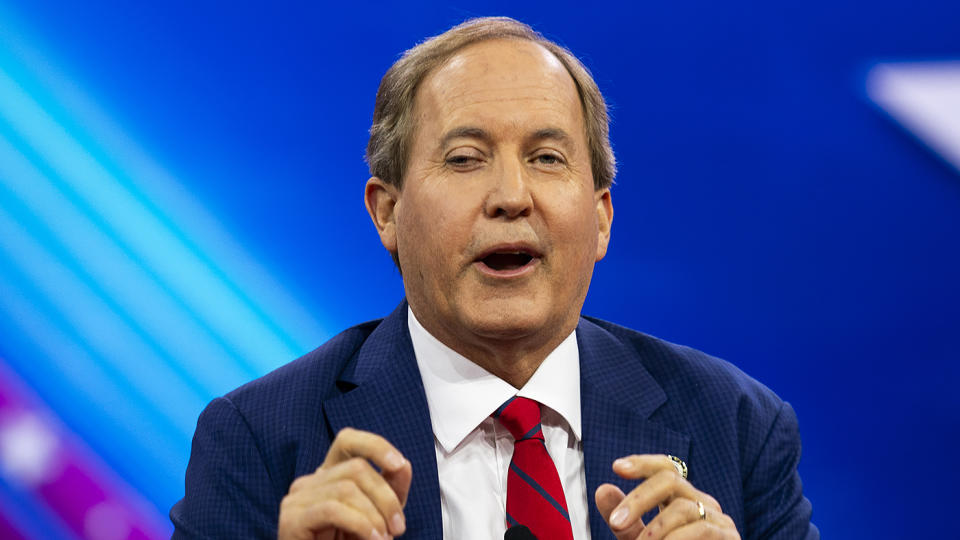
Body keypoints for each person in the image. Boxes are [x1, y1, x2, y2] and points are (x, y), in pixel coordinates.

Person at [170, 16, 817, 540]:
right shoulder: (260, 440)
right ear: (387, 212)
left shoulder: (734, 427)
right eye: (465, 159)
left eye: (546, 157)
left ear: (600, 219)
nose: (511, 196)